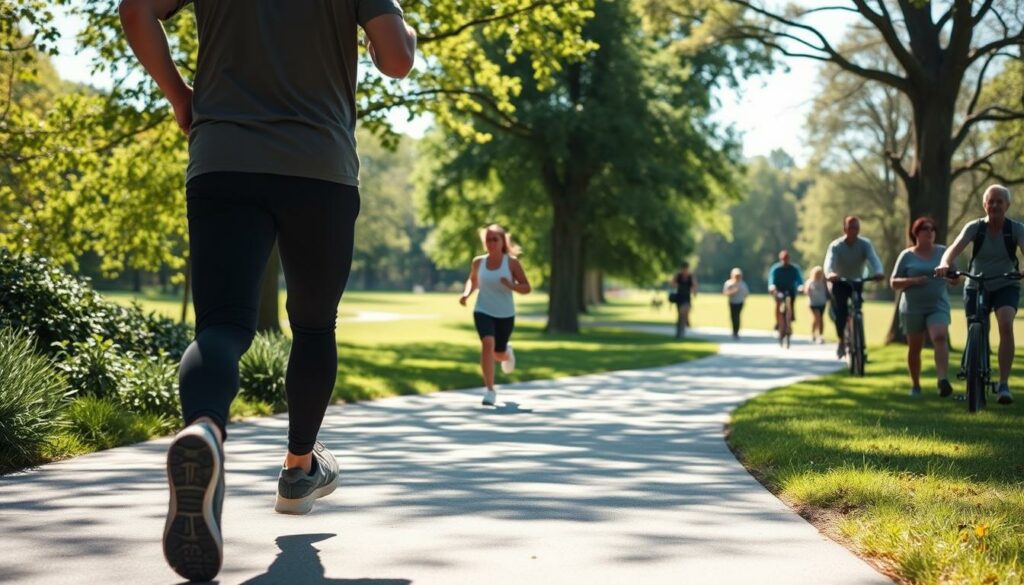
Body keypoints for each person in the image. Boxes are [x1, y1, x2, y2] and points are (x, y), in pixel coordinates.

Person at [119, 0, 416, 580]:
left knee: (222, 326)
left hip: (223, 160)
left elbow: (135, 10)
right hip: (319, 169)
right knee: (312, 325)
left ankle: (205, 427)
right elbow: (397, 61)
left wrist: (183, 97)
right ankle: (299, 467)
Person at [936, 185, 1024, 405]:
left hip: (1006, 284)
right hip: (976, 284)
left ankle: (1003, 384)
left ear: (1007, 205)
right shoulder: (975, 227)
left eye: (999, 201)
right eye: (991, 201)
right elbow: (954, 248)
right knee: (977, 327)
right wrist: (944, 264)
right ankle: (975, 370)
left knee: (1005, 323)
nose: (995, 205)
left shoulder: (1015, 229)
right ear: (985, 205)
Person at [459, 225, 532, 406]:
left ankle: (507, 352)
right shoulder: (478, 262)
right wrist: (466, 294)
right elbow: (473, 280)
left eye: (495, 239)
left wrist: (512, 285)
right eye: (488, 239)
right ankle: (490, 390)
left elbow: (526, 287)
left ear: (502, 242)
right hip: (483, 310)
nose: (491, 243)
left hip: (505, 314)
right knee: (487, 343)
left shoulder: (512, 263)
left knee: (498, 354)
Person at [891, 217, 958, 397]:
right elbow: (893, 282)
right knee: (915, 347)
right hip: (912, 308)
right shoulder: (907, 255)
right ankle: (915, 385)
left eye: (932, 229)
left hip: (937, 305)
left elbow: (956, 278)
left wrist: (953, 279)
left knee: (940, 337)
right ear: (916, 233)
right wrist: (913, 280)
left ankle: (942, 379)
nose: (930, 232)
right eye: (925, 229)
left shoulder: (944, 252)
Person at [823, 216, 886, 358]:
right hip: (840, 281)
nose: (854, 231)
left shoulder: (865, 244)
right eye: (851, 227)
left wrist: (879, 271)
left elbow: (873, 259)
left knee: (858, 308)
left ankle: (859, 341)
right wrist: (830, 273)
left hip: (857, 281)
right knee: (841, 312)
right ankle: (841, 340)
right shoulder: (836, 246)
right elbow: (829, 262)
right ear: (844, 229)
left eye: (856, 228)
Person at [767, 250, 804, 339]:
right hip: (778, 290)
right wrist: (772, 286)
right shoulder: (776, 269)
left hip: (790, 290)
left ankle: (789, 323)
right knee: (778, 304)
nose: (785, 261)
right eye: (783, 259)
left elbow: (799, 280)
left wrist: (800, 287)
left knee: (790, 305)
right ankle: (778, 323)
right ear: (780, 259)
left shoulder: (794, 269)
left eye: (786, 259)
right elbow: (771, 279)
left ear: (789, 259)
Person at [671, 262, 697, 338]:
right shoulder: (678, 276)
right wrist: (677, 285)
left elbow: (694, 285)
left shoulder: (690, 277)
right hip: (679, 298)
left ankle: (682, 330)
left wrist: (694, 292)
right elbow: (672, 284)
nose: (685, 270)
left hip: (687, 298)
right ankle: (679, 332)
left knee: (684, 313)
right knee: (680, 315)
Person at [722, 267, 750, 340]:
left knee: (737, 316)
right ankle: (734, 330)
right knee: (733, 316)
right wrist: (733, 291)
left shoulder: (743, 284)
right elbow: (726, 293)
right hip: (732, 302)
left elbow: (746, 294)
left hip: (740, 302)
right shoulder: (729, 283)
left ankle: (736, 332)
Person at [804, 266, 829, 344]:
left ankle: (820, 335)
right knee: (816, 317)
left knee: (820, 319)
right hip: (813, 303)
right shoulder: (810, 282)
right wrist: (808, 292)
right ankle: (813, 334)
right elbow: (806, 291)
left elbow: (827, 291)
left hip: (822, 303)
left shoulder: (824, 282)